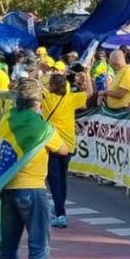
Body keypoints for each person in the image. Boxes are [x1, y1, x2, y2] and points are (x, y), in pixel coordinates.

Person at [0, 78, 67, 259]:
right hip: (33, 188)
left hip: (7, 186)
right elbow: (63, 149)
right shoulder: (42, 126)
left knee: (9, 242)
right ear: (37, 102)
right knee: (39, 243)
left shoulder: (7, 119)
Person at [43, 72, 93, 228]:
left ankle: (60, 214)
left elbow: (33, 84)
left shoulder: (48, 98)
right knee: (62, 178)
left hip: (53, 144)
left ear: (51, 85)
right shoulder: (70, 98)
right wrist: (88, 74)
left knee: (53, 180)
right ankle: (60, 210)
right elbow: (90, 94)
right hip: (69, 145)